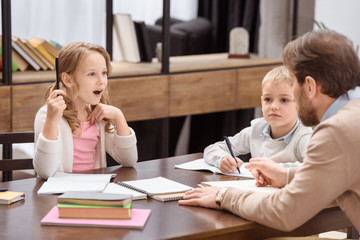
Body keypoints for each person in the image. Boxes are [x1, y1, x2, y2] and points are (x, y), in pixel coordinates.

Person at [179, 29, 360, 233]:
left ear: (309, 86)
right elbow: (333, 172)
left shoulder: (336, 132)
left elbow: (286, 212)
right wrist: (286, 174)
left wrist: (223, 196)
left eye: (293, 86)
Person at [33, 42, 138, 179]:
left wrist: (119, 116)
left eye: (104, 73)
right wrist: (52, 121)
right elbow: (45, 172)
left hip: (93, 192)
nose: (101, 81)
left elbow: (129, 160)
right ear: (67, 80)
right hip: (60, 195)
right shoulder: (47, 115)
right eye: (91, 74)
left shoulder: (96, 113)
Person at [204, 65, 312, 173]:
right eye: (268, 99)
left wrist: (272, 169)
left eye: (284, 100)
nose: (274, 106)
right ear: (261, 102)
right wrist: (222, 159)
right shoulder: (256, 130)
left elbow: (316, 168)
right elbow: (210, 150)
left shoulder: (304, 137)